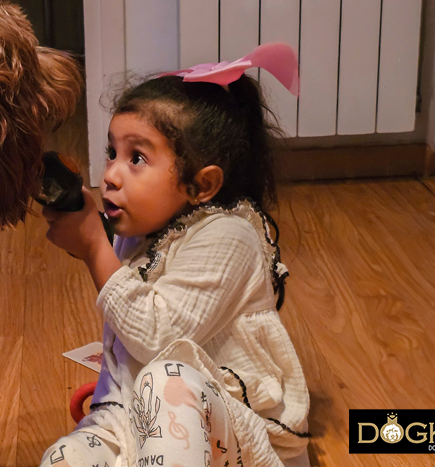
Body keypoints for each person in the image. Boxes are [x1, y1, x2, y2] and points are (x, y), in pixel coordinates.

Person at [40, 43, 310, 467]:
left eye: (137, 158)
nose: (110, 174)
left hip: (224, 430)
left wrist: (94, 247)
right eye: (112, 152)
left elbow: (160, 340)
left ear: (201, 186)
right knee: (61, 458)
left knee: (167, 380)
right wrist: (82, 226)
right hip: (134, 419)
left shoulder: (230, 237)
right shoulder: (143, 230)